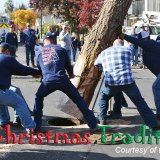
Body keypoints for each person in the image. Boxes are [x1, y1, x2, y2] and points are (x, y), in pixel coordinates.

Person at [33, 35, 97, 132]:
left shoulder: (39, 52)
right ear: (54, 41)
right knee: (78, 99)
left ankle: (37, 126)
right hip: (62, 80)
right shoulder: (61, 49)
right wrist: (71, 75)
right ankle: (93, 124)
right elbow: (68, 66)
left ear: (45, 41)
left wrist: (41, 75)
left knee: (38, 97)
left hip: (48, 81)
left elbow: (40, 68)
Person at [94, 39, 159, 129]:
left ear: (113, 44)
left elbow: (96, 63)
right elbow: (130, 57)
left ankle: (102, 119)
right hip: (127, 82)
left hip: (111, 82)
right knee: (140, 102)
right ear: (122, 44)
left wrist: (103, 68)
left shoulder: (104, 52)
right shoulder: (128, 50)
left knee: (103, 97)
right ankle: (152, 123)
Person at [117, 27, 160, 123]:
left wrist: (123, 36)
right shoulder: (148, 47)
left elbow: (135, 41)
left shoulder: (149, 44)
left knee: (156, 87)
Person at [0, 43, 40, 133]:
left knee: (2, 100)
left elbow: (14, 70)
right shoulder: (7, 58)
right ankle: (31, 128)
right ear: (7, 51)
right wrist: (37, 72)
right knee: (19, 103)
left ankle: (4, 121)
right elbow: (22, 69)